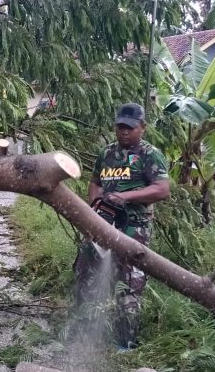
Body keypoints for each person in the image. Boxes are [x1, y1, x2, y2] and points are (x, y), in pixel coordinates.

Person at [73, 103, 170, 351]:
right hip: (103, 224)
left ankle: (125, 343)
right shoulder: (106, 153)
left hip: (133, 228)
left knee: (128, 285)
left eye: (130, 128)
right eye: (120, 128)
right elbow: (94, 182)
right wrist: (94, 206)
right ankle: (81, 328)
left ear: (142, 128)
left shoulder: (150, 154)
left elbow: (161, 189)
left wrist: (126, 197)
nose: (124, 132)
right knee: (86, 273)